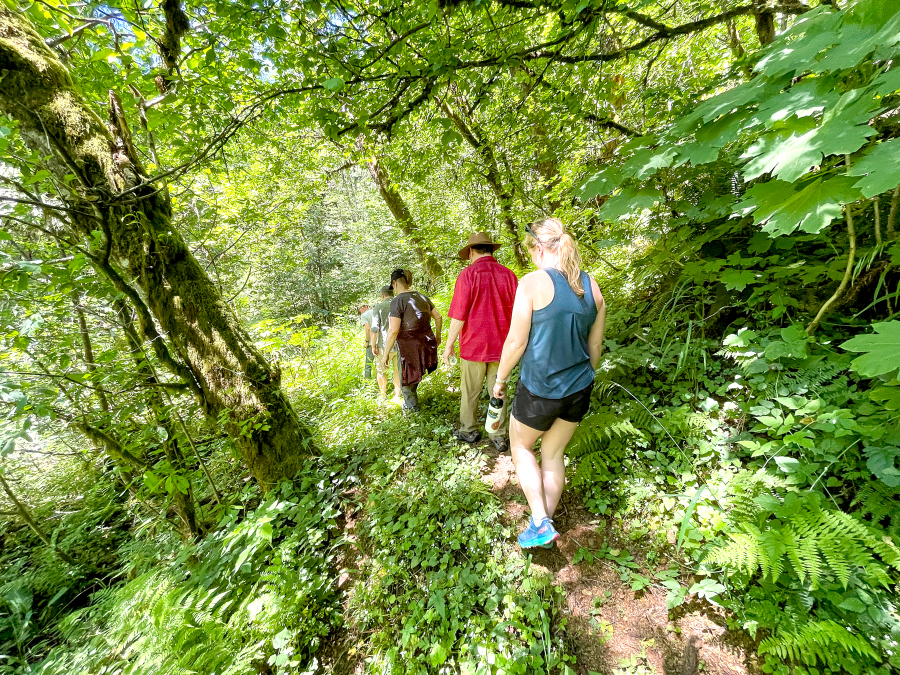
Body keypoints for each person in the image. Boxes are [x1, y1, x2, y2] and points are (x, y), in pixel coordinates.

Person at [492, 218, 606, 549]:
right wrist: (583, 378)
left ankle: (540, 521)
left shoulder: (531, 283)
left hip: (540, 388)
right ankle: (545, 522)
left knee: (522, 447)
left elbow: (515, 343)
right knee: (554, 453)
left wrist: (500, 380)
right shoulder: (591, 286)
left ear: (540, 249)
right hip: (579, 388)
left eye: (531, 252)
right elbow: (595, 347)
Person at [444, 232, 518, 451]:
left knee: (470, 391)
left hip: (473, 346)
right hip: (503, 347)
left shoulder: (468, 275)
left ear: (471, 252)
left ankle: (468, 431)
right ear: (491, 250)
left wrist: (449, 345)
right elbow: (520, 313)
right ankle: (498, 435)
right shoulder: (508, 275)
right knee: (499, 391)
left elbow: (459, 315)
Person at [381, 269, 442, 412]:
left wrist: (386, 354)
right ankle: (411, 404)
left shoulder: (397, 301)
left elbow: (393, 330)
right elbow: (438, 317)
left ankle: (411, 410)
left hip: (408, 347)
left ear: (394, 283)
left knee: (406, 380)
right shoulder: (422, 297)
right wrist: (437, 336)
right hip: (425, 342)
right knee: (413, 376)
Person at [371, 285, 402, 402]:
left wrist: (373, 345)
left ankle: (383, 395)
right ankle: (397, 396)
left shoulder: (379, 307)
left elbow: (374, 328)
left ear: (382, 295)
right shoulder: (399, 304)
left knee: (381, 370)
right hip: (399, 344)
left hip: (384, 346)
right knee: (397, 370)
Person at [358, 303, 375, 379]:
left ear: (364, 307)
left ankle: (367, 384)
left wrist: (367, 341)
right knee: (382, 365)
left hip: (371, 343)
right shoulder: (376, 312)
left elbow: (368, 329)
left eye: (359, 310)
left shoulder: (364, 315)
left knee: (368, 364)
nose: (360, 312)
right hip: (381, 341)